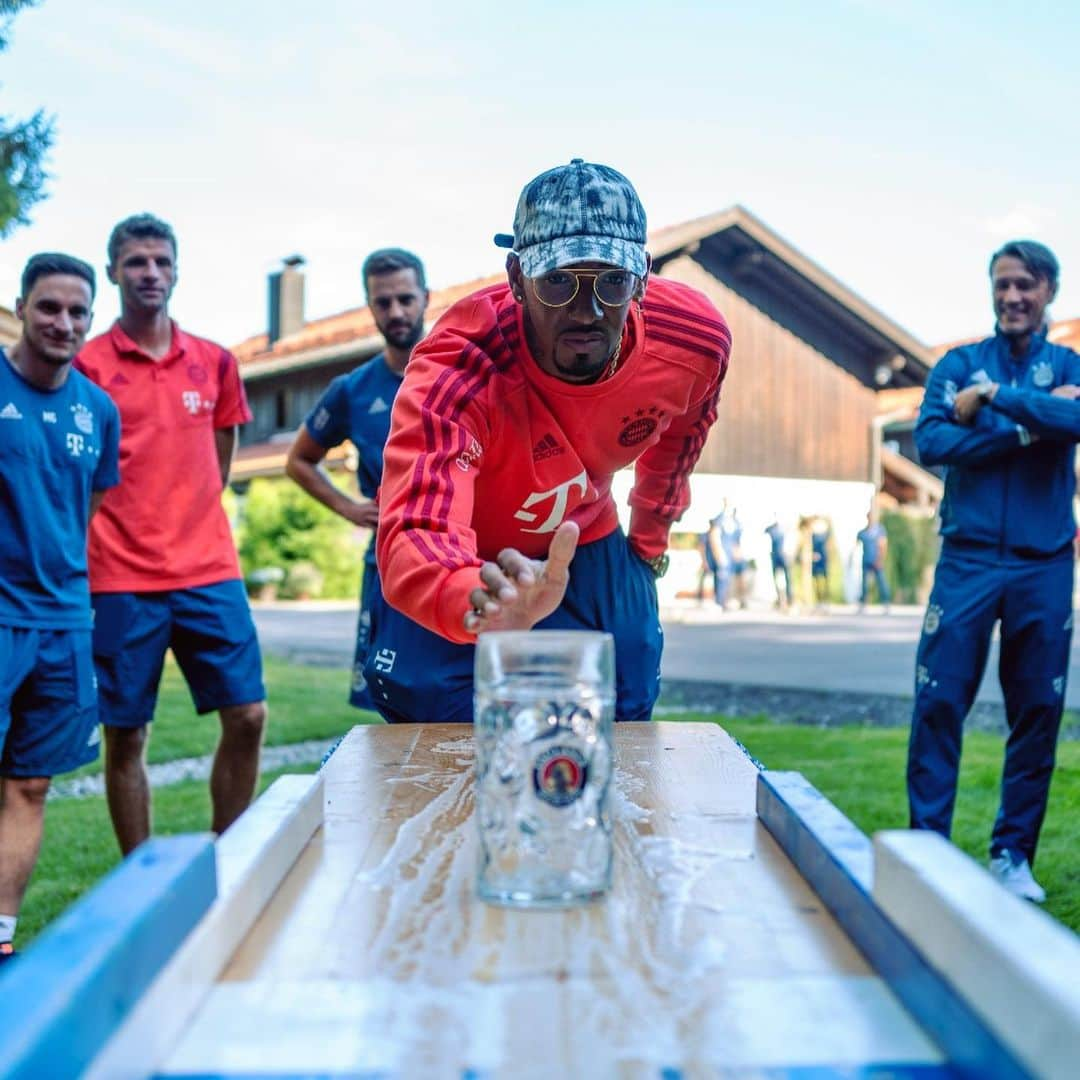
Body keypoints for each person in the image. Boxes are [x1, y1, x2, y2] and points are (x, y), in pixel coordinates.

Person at [365, 159, 731, 723]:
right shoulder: (459, 366)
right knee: (427, 704)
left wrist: (649, 545)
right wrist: (473, 597)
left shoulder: (694, 341)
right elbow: (417, 522)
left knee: (627, 689)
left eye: (611, 280)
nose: (587, 311)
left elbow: (682, 437)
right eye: (558, 280)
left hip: (586, 531)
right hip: (475, 556)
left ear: (642, 278)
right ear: (516, 279)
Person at [76, 214, 266, 855]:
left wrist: (186, 513)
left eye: (161, 261)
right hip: (120, 578)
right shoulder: (87, 366)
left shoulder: (214, 362)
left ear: (177, 269)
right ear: (112, 273)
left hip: (209, 570)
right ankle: (141, 877)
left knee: (248, 715)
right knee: (126, 735)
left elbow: (222, 451)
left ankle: (226, 855)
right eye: (136, 262)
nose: (150, 273)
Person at [908, 239, 1080, 903]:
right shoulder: (957, 363)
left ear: (1047, 293)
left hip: (1043, 564)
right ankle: (927, 850)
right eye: (1003, 284)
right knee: (939, 701)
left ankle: (1012, 858)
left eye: (1026, 286)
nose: (1013, 296)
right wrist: (1034, 424)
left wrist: (994, 399)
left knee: (1037, 709)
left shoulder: (1066, 363)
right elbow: (933, 441)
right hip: (968, 559)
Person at [0, 254, 121, 962]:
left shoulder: (97, 410)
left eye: (78, 312)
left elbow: (85, 508)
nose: (64, 323)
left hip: (63, 623)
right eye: (49, 307)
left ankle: (3, 938)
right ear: (20, 307)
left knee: (31, 783)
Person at [286, 249, 429, 709]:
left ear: (425, 298)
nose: (396, 312)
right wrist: (348, 506)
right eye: (383, 302)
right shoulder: (353, 390)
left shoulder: (462, 366)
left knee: (463, 695)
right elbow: (299, 460)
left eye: (405, 298)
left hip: (466, 553)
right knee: (390, 694)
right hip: (390, 558)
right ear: (370, 306)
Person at [856, 510, 891, 609]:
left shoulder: (879, 530)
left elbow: (883, 545)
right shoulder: (863, 532)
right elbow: (856, 544)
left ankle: (886, 601)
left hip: (876, 560)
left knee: (881, 582)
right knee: (864, 583)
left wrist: (880, 560)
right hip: (866, 559)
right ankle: (863, 602)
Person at [765, 515, 793, 609]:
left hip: (784, 556)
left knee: (788, 579)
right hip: (774, 557)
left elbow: (790, 542)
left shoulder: (786, 528)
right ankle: (779, 599)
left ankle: (789, 599)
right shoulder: (771, 528)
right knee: (776, 579)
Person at [810, 516, 831, 609]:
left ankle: (825, 599)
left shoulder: (825, 530)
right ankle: (818, 600)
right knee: (816, 579)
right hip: (815, 557)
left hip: (824, 557)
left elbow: (829, 544)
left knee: (825, 578)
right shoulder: (812, 531)